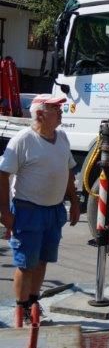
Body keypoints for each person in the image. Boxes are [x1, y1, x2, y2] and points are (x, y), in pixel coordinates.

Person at [0, 93, 80, 324]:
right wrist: (4, 212)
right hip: (28, 210)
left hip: (53, 211)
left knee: (43, 260)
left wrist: (74, 202)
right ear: (41, 114)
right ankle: (21, 309)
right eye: (57, 110)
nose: (61, 113)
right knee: (26, 264)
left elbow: (69, 171)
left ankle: (33, 302)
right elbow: (3, 174)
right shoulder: (23, 140)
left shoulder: (62, 137)